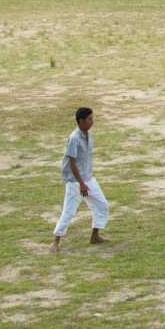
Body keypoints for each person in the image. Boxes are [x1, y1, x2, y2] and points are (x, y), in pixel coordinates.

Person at [51, 107, 109, 250]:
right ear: (81, 121)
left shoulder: (89, 135)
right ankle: (55, 242)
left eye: (92, 118)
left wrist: (85, 181)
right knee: (69, 212)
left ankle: (94, 236)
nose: (92, 122)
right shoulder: (74, 138)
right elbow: (72, 162)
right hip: (75, 182)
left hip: (88, 178)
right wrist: (81, 183)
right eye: (89, 119)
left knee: (102, 205)